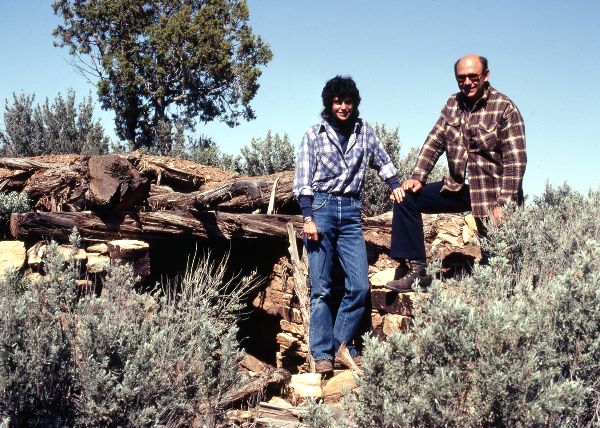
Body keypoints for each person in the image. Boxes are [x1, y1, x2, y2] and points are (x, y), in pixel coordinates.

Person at [386, 54, 527, 292]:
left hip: (493, 193)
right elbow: (435, 140)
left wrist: (505, 203)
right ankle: (418, 272)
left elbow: (515, 160)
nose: (468, 82)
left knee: (499, 264)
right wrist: (418, 176)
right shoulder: (453, 103)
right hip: (459, 187)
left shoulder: (504, 107)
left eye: (474, 76)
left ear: (486, 76)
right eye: (461, 78)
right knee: (407, 199)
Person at [293, 75, 403, 375]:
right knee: (322, 288)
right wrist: (308, 217)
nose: (343, 107)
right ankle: (322, 355)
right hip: (321, 207)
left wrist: (395, 183)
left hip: (352, 211)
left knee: (359, 285)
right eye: (338, 101)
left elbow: (383, 160)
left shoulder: (364, 131)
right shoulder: (314, 134)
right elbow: (302, 181)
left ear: (354, 104)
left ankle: (338, 343)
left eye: (348, 102)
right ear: (329, 103)